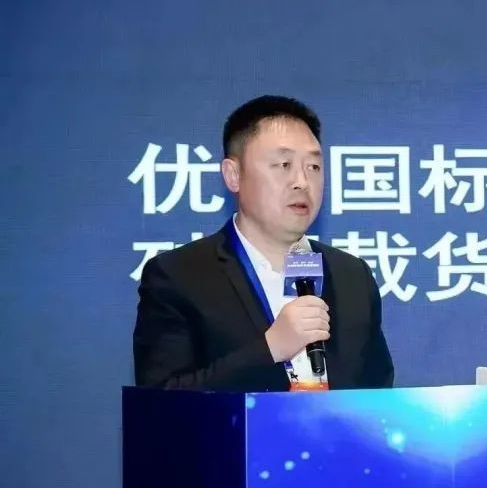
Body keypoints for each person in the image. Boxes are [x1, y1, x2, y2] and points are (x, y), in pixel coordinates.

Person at [133, 95, 394, 391]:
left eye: (314, 167)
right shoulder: (179, 275)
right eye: (283, 164)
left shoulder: (352, 276)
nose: (302, 182)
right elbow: (160, 401)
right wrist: (269, 349)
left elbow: (379, 395)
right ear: (233, 175)